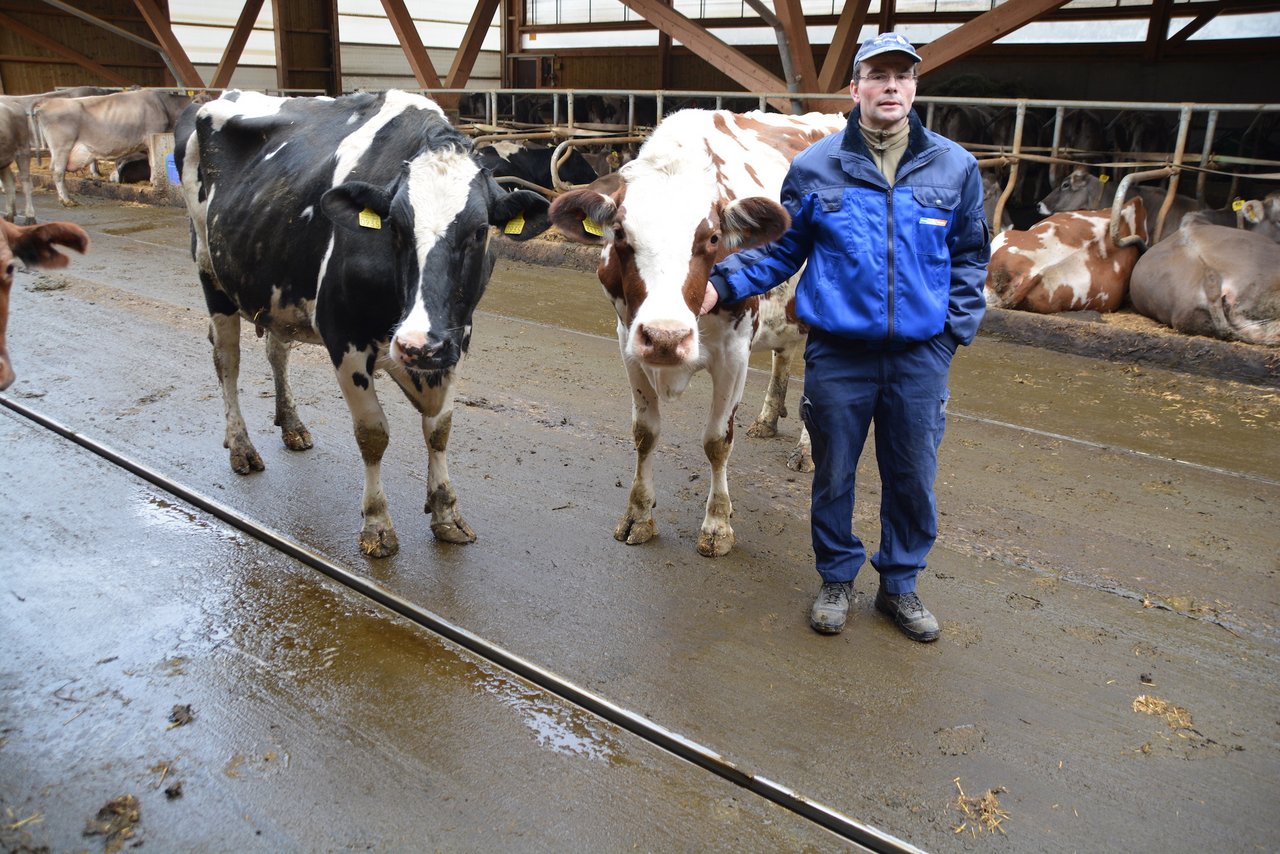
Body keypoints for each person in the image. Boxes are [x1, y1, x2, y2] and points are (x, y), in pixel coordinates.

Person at [700, 31, 989, 642]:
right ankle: (836, 577)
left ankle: (900, 586)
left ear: (914, 86)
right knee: (832, 474)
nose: (891, 86)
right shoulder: (815, 166)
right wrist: (718, 285)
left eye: (902, 76)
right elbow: (780, 251)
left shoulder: (954, 166)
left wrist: (951, 332)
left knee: (912, 475)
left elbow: (969, 256)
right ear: (854, 87)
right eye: (878, 75)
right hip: (838, 354)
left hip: (919, 355)